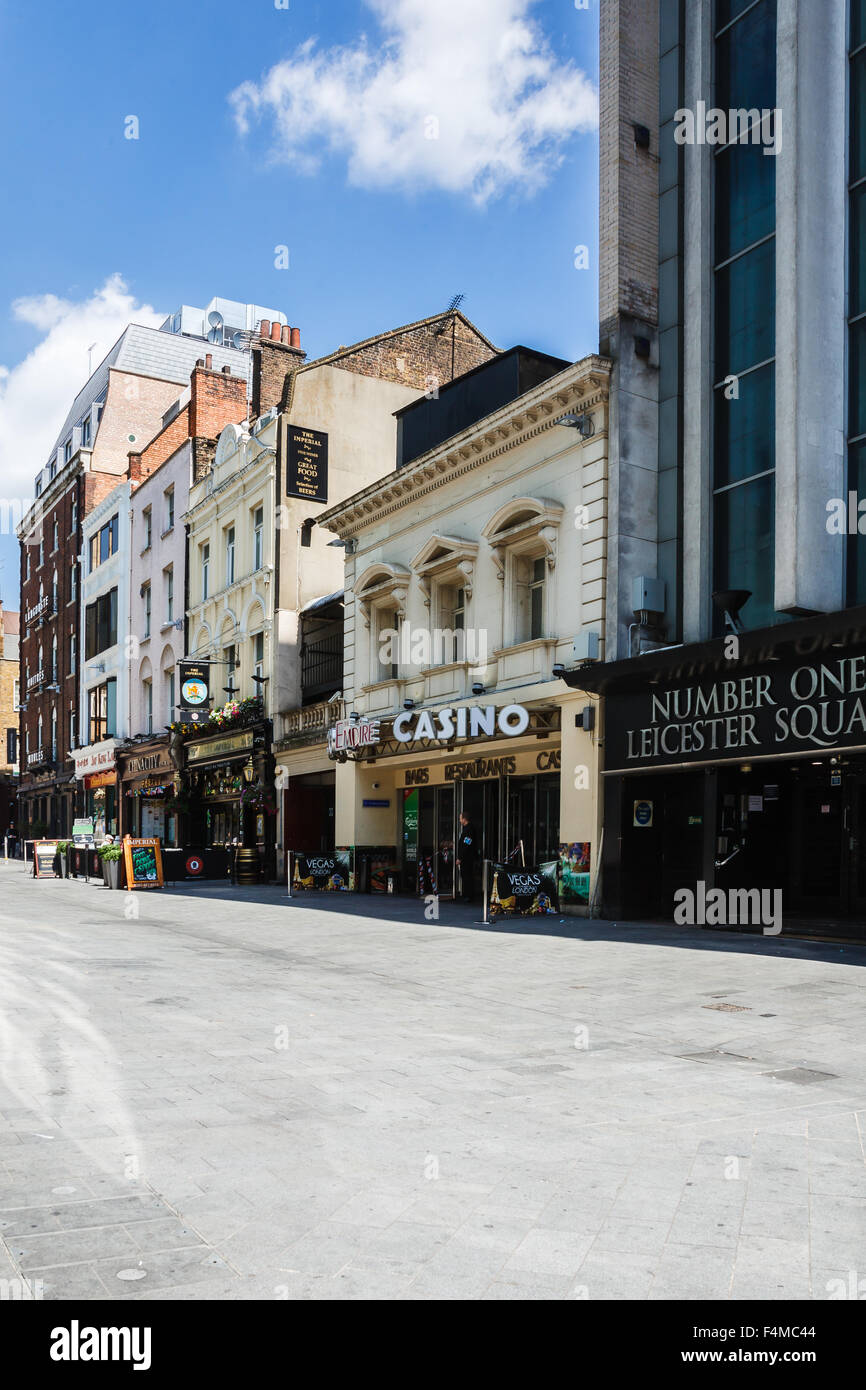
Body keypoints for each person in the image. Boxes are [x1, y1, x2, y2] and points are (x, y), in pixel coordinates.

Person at [456, 812, 478, 903]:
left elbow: (466, 844)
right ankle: (467, 894)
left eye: (460, 818)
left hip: (467, 857)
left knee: (467, 876)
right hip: (466, 857)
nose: (460, 820)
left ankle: (469, 895)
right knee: (465, 875)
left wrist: (460, 857)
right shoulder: (467, 828)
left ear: (464, 819)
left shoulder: (469, 829)